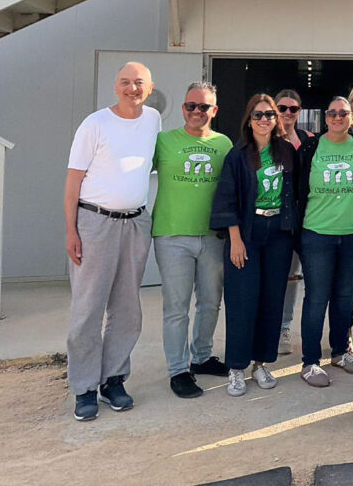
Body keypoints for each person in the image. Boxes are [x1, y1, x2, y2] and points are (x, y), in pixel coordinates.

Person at [65, 62, 160, 421]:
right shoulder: (95, 124)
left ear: (150, 88)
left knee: (127, 307)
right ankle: (85, 387)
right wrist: (71, 230)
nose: (131, 88)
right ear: (115, 87)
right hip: (95, 222)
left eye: (138, 83)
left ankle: (113, 379)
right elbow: (73, 182)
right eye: (125, 82)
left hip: (135, 223)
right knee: (88, 308)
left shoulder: (153, 120)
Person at [211, 94, 299, 396]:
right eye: (258, 115)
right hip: (247, 234)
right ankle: (236, 366)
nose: (264, 120)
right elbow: (227, 199)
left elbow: (296, 193)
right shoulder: (238, 156)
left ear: (277, 120)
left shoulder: (286, 151)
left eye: (270, 115)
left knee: (272, 300)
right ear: (249, 120)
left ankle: (261, 362)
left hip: (278, 234)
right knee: (242, 300)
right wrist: (235, 239)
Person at [151, 82, 232, 398]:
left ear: (214, 111)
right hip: (172, 235)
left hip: (212, 236)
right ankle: (178, 370)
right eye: (190, 106)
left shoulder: (224, 144)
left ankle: (201, 357)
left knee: (211, 301)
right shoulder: (164, 141)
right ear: (183, 108)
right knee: (176, 307)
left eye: (203, 107)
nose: (196, 112)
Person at [295, 97, 353, 387]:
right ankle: (310, 361)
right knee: (317, 297)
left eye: (344, 113)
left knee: (345, 294)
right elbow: (296, 190)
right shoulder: (311, 148)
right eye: (332, 113)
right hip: (317, 233)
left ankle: (341, 351)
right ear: (325, 118)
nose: (338, 117)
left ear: (352, 118)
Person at [275, 88, 312, 356]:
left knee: (312, 278)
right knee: (285, 276)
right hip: (279, 220)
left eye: (293, 109)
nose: (287, 113)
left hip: (309, 219)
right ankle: (282, 326)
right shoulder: (265, 139)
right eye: (282, 108)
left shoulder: (309, 140)